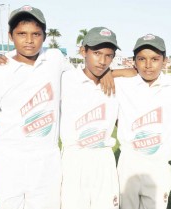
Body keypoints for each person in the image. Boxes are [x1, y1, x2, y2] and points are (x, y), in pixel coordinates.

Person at [0, 5, 70, 209]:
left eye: (36, 34)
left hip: (47, 163)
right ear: (10, 36)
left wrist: (112, 73)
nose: (29, 40)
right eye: (21, 34)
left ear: (44, 36)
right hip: (8, 163)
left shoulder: (55, 59)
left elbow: (85, 75)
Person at [112, 34, 171, 209]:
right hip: (129, 162)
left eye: (155, 59)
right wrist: (123, 72)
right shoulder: (123, 84)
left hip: (159, 165)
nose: (148, 65)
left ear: (165, 61)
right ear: (134, 61)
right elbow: (99, 75)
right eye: (141, 59)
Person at [59, 26, 122, 209]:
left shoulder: (117, 85)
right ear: (83, 51)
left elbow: (136, 71)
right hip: (73, 159)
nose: (102, 61)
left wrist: (112, 73)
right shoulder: (66, 79)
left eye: (108, 55)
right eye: (96, 53)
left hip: (104, 159)